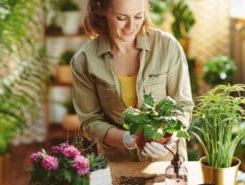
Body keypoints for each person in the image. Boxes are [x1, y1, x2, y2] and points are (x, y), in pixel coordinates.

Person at [71, 0, 194, 162]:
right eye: (121, 18)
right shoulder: (85, 60)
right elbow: (89, 121)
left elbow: (182, 105)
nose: (131, 27)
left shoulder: (167, 47)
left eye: (138, 16)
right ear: (102, 10)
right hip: (117, 162)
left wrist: (172, 136)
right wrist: (128, 139)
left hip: (168, 162)